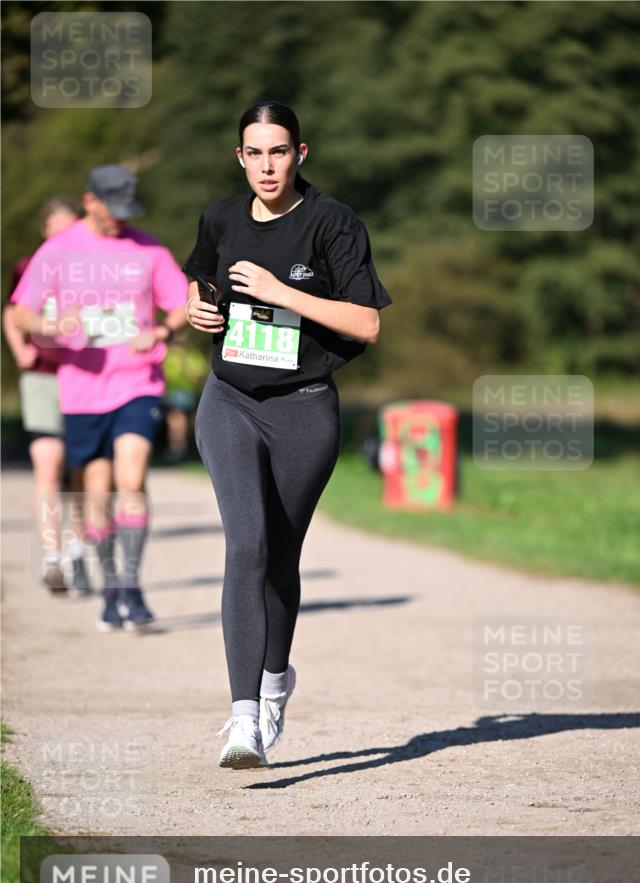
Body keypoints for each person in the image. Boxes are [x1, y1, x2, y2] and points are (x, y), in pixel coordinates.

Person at [183, 100, 392, 768]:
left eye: (279, 152)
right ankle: (244, 717)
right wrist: (197, 307)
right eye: (254, 153)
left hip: (304, 407)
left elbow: (365, 325)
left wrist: (280, 292)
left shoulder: (333, 224)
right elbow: (203, 279)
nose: (266, 166)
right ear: (238, 156)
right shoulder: (219, 216)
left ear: (300, 154)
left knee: (279, 559)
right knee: (245, 544)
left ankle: (276, 683)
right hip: (230, 401)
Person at [11, 165, 188, 630]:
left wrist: (164, 329)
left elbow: (183, 302)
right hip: (82, 388)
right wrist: (52, 326)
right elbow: (21, 313)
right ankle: (110, 586)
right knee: (97, 492)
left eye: (129, 211)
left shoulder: (148, 248)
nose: (121, 221)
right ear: (90, 201)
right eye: (114, 211)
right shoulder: (59, 250)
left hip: (137, 381)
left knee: (131, 479)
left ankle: (131, 584)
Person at [3, 197, 92, 596]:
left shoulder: (95, 267)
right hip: (43, 377)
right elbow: (12, 312)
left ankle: (78, 549)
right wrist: (20, 347)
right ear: (44, 233)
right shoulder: (29, 266)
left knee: (81, 470)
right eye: (57, 232)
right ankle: (52, 557)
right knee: (48, 464)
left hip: (88, 378)